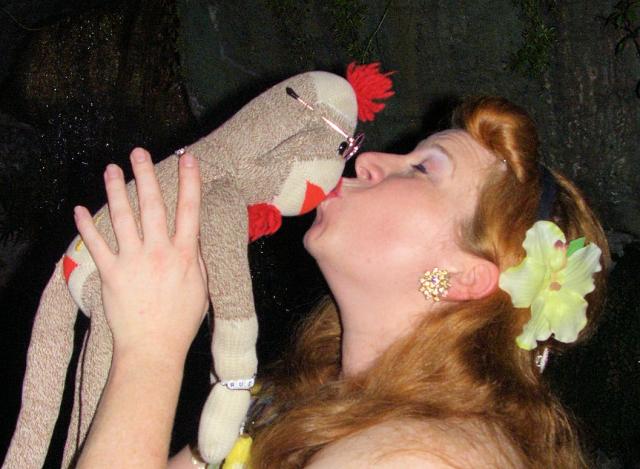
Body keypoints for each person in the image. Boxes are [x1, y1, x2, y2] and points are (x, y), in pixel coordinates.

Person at [73, 96, 608, 468]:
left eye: (423, 168)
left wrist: (151, 347)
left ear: (465, 276)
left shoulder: (422, 460)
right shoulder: (291, 405)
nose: (370, 160)